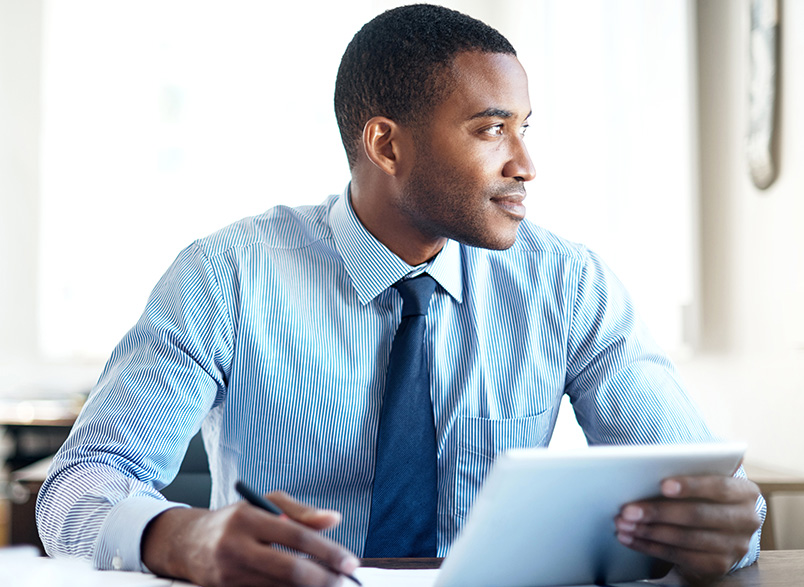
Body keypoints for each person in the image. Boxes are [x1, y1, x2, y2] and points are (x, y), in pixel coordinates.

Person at [37, 4, 764, 587]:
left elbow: (705, 488)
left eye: (525, 128)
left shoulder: (568, 284)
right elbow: (76, 486)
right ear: (387, 145)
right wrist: (180, 533)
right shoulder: (226, 274)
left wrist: (730, 525)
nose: (526, 164)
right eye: (491, 130)